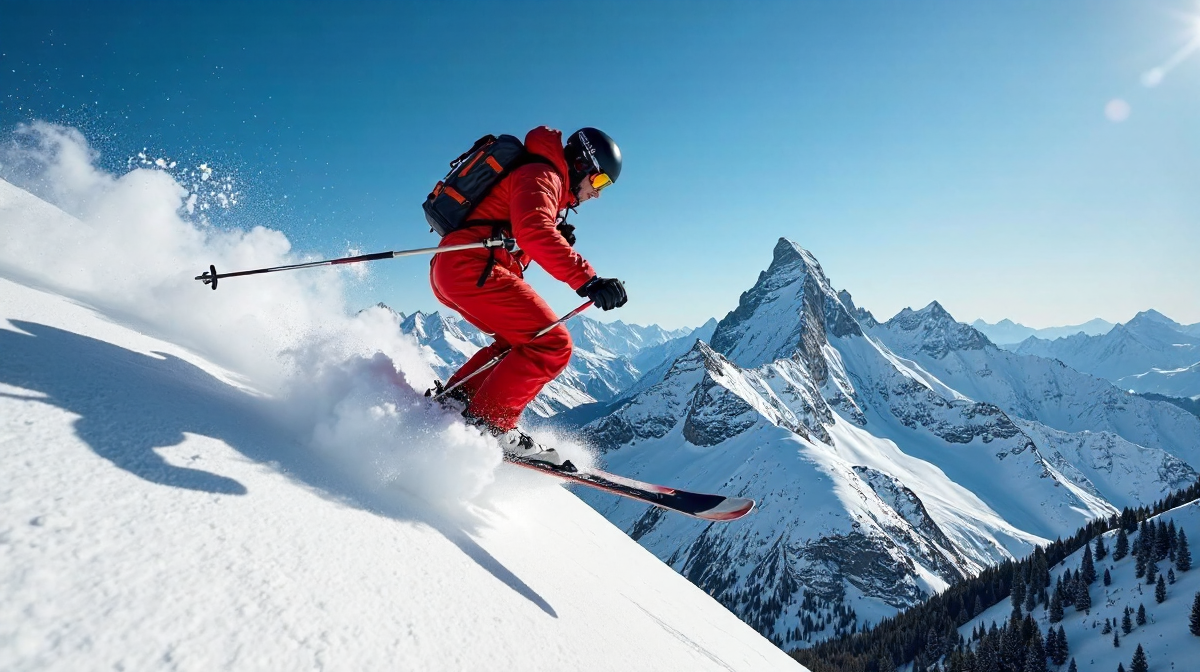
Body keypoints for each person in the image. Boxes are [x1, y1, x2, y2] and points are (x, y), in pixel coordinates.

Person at [429, 126, 627, 468]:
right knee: (552, 345)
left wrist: (544, 240)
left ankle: (457, 400)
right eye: (599, 182)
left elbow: (511, 238)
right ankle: (490, 424)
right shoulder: (543, 173)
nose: (597, 194)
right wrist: (589, 280)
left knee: (517, 343)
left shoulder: (541, 177)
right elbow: (534, 231)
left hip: (457, 269)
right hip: (471, 268)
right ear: (581, 165)